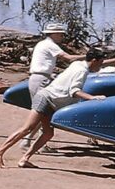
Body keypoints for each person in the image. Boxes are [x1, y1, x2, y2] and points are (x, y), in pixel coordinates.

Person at [0, 49, 112, 169]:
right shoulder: (82, 71)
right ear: (94, 61)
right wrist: (92, 98)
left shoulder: (78, 64)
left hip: (52, 102)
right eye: (100, 63)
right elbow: (74, 91)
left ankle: (24, 159)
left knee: (48, 133)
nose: (100, 67)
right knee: (27, 128)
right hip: (46, 98)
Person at [20, 23, 85, 151]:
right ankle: (28, 141)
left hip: (40, 77)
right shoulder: (49, 44)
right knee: (42, 111)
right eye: (60, 34)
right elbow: (68, 58)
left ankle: (35, 142)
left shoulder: (43, 44)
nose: (62, 36)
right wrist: (88, 57)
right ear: (53, 34)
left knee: (43, 111)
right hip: (41, 79)